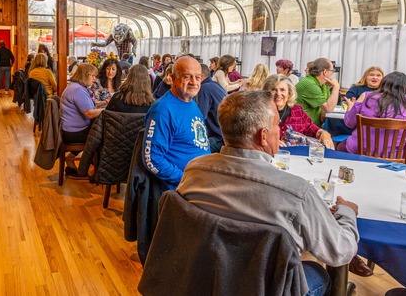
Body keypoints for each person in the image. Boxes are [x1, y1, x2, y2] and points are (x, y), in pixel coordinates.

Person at [177, 91, 360, 296]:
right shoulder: (296, 194)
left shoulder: (194, 170)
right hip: (262, 288)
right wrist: (347, 213)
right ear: (263, 136)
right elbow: (340, 252)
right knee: (318, 273)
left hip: (203, 278)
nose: (279, 131)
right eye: (277, 125)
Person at [143, 56, 210, 190]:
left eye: (197, 77)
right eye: (187, 77)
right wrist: (184, 179)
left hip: (202, 180)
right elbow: (152, 159)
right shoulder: (163, 111)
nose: (194, 82)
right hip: (182, 189)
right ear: (173, 78)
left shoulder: (191, 103)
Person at [341, 71, 406, 158]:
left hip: (362, 150)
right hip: (400, 155)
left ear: (383, 83)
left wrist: (350, 108)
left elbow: (350, 123)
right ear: (405, 88)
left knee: (341, 146)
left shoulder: (365, 96)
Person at [262, 74, 334, 149]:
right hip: (268, 154)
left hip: (296, 154)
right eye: (273, 89)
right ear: (265, 93)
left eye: (282, 90)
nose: (278, 94)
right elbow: (253, 137)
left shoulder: (297, 110)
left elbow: (313, 129)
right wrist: (269, 141)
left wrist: (324, 133)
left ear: (289, 93)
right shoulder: (260, 112)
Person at [61, 64, 104, 174]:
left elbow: (90, 106)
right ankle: (95, 169)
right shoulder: (78, 90)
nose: (94, 79)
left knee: (99, 130)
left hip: (70, 130)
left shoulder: (74, 87)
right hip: (75, 132)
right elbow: (89, 113)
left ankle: (73, 159)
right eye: (92, 76)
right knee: (103, 135)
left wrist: (103, 104)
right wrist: (106, 110)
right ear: (85, 75)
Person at [296, 58, 341, 127]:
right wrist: (336, 87)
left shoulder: (321, 84)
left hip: (312, 126)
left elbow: (325, 111)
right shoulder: (310, 84)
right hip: (302, 127)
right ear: (325, 72)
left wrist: (328, 87)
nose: (332, 74)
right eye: (332, 71)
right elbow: (329, 108)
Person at [196, 64, 227, 153]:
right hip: (224, 135)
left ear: (201, 76)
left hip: (217, 138)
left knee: (192, 150)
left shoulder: (204, 89)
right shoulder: (215, 85)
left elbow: (200, 118)